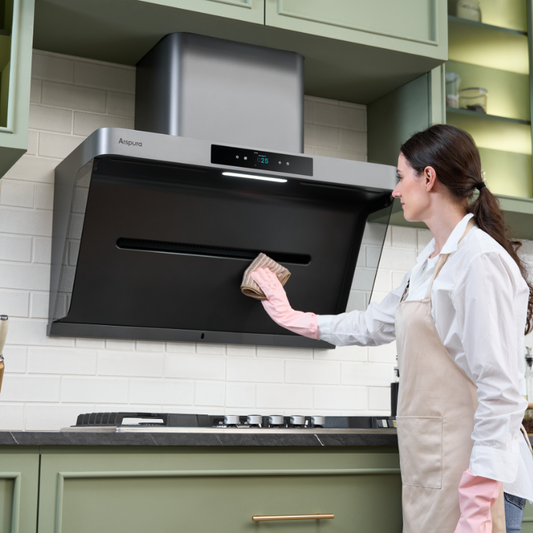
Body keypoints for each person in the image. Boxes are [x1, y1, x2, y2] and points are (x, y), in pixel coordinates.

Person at [251, 124, 533, 533]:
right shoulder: (430, 259)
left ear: (429, 177)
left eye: (402, 176)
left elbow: (502, 388)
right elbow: (373, 323)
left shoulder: (479, 261)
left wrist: (478, 498)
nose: (396, 191)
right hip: (433, 468)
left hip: (477, 479)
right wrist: (295, 317)